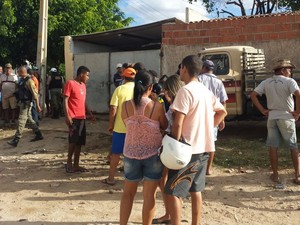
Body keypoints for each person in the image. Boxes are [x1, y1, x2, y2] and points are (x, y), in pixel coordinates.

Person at [165, 55, 227, 225]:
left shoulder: (185, 91)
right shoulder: (205, 91)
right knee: (195, 190)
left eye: (180, 69)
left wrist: (174, 146)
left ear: (184, 68)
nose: (179, 72)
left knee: (173, 191)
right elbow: (222, 112)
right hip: (203, 149)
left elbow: (178, 123)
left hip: (186, 150)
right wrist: (209, 128)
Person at [120, 70, 168, 225]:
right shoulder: (156, 107)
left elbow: (126, 123)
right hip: (152, 154)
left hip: (130, 153)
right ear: (150, 87)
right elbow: (165, 125)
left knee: (128, 193)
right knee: (149, 196)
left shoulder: (125, 106)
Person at [250, 59, 300, 185]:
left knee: (273, 146)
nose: (290, 72)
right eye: (289, 69)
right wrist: (297, 112)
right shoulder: (290, 81)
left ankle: (276, 175)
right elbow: (298, 94)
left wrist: (262, 110)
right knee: (293, 146)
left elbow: (253, 95)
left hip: (272, 116)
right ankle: (298, 175)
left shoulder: (267, 82)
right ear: (283, 70)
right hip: (286, 116)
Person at [152, 74, 184, 224]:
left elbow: (173, 125)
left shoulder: (176, 106)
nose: (164, 93)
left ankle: (172, 216)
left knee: (166, 183)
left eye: (166, 90)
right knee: (166, 182)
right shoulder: (178, 103)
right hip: (172, 144)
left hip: (172, 145)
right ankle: (170, 214)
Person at [103, 67, 136, 185]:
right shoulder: (139, 90)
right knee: (132, 155)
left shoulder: (119, 89)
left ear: (123, 77)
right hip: (134, 128)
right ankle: (131, 180)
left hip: (119, 128)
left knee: (116, 154)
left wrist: (111, 124)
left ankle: (111, 178)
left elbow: (113, 108)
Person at [198, 60, 228, 175]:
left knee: (198, 141)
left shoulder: (199, 79)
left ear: (203, 68)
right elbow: (223, 101)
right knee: (211, 143)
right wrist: (222, 119)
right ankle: (208, 169)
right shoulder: (218, 82)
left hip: (200, 115)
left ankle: (198, 167)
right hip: (214, 115)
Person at [64, 66, 95, 173]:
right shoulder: (70, 83)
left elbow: (83, 101)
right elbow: (65, 99)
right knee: (73, 141)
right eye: (87, 75)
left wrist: (90, 113)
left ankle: (76, 164)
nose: (88, 78)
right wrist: (67, 115)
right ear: (81, 74)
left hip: (82, 117)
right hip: (73, 118)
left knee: (80, 142)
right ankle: (69, 163)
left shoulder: (83, 86)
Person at [7, 66, 43, 147]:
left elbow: (35, 95)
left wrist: (37, 106)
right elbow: (18, 92)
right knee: (30, 120)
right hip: (22, 103)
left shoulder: (29, 81)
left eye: (19, 72)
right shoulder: (21, 81)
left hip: (26, 104)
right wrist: (9, 96)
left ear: (22, 72)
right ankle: (38, 134)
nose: (18, 73)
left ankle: (16, 139)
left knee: (21, 121)